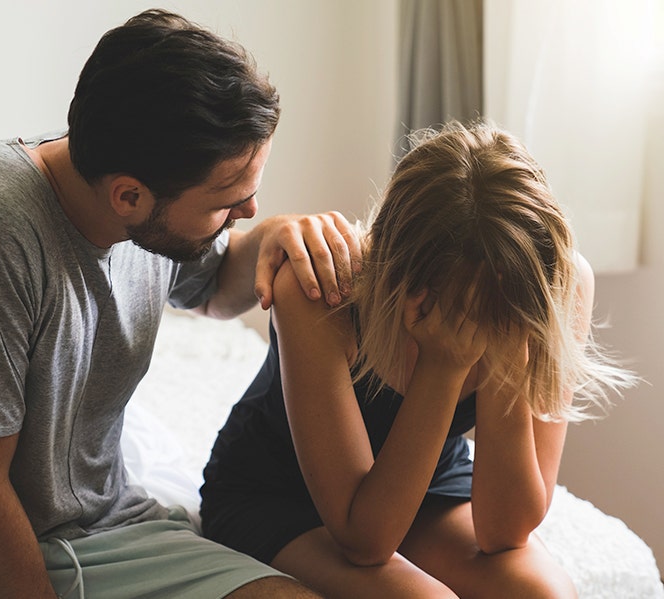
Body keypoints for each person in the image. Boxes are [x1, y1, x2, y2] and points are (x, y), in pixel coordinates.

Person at [0, 9, 358, 599]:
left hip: (103, 532)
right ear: (129, 196)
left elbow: (214, 285)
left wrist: (282, 239)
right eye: (227, 202)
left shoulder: (142, 198)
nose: (246, 214)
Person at [200, 121, 639, 598]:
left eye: (500, 314)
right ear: (398, 280)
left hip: (423, 479)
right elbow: (365, 542)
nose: (481, 331)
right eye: (467, 313)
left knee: (543, 593)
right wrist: (442, 367)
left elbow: (504, 533)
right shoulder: (322, 294)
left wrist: (508, 358)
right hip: (275, 491)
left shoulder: (555, 287)